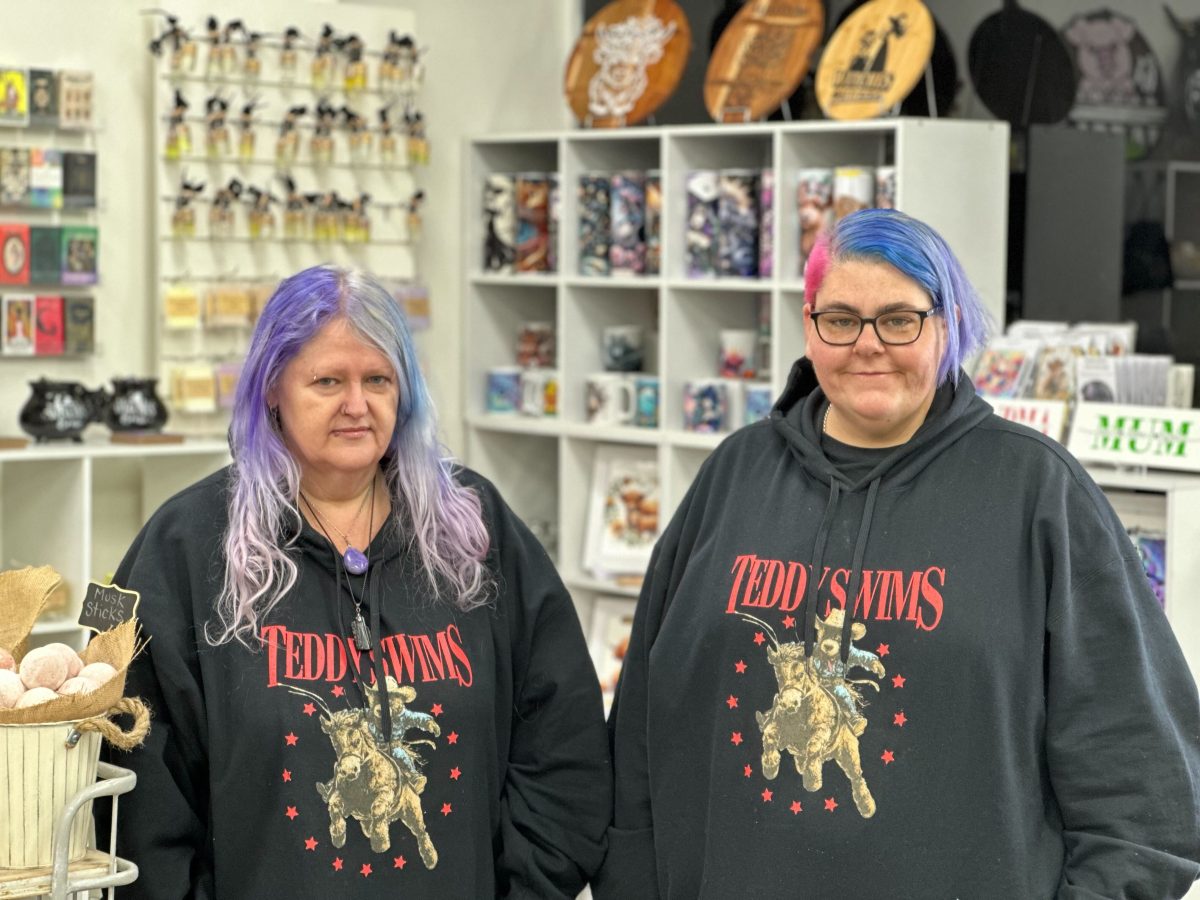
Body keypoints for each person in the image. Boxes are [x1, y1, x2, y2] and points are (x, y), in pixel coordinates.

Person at [594, 208, 1200, 899]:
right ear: (810, 324)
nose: (868, 344)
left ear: (947, 325)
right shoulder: (735, 476)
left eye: (899, 319)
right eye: (842, 319)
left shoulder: (1037, 493)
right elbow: (643, 726)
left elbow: (1143, 779)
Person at [100, 264, 611, 898]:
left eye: (378, 380)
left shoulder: (475, 532)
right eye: (327, 381)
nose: (356, 405)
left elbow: (565, 744)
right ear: (270, 389)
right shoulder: (186, 547)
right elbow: (135, 786)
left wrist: (528, 888)